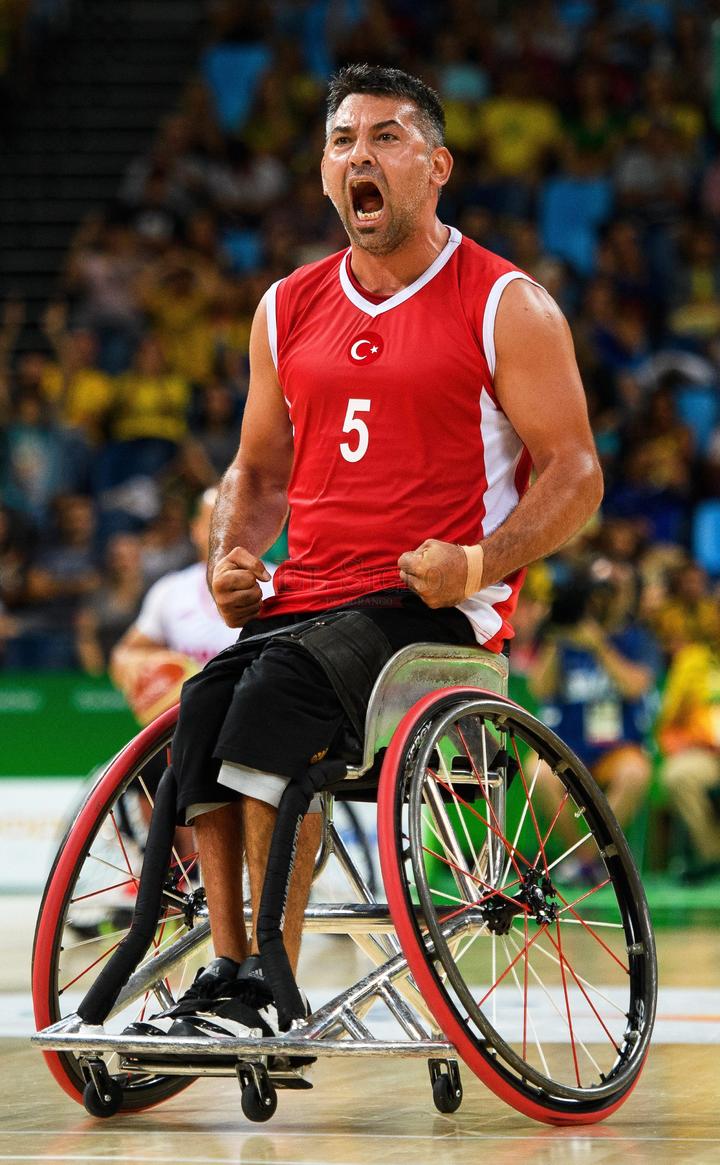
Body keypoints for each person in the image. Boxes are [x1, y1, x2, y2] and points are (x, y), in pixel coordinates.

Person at [123, 64, 603, 1046]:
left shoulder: (506, 303)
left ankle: (268, 979)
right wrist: (232, 555)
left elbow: (577, 474)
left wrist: (477, 563)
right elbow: (255, 477)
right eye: (343, 140)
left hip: (429, 610)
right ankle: (229, 974)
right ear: (324, 171)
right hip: (308, 600)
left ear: (436, 166)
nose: (360, 156)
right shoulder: (286, 307)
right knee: (205, 706)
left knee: (272, 698)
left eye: (386, 138)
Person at [529, 563, 660, 875]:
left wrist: (599, 645)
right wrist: (557, 638)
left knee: (635, 773)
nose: (603, 601)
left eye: (612, 594)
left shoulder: (637, 639)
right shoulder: (564, 639)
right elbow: (540, 688)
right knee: (539, 772)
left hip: (617, 748)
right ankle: (594, 859)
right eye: (598, 594)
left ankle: (586, 859)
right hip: (570, 748)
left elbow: (634, 686)